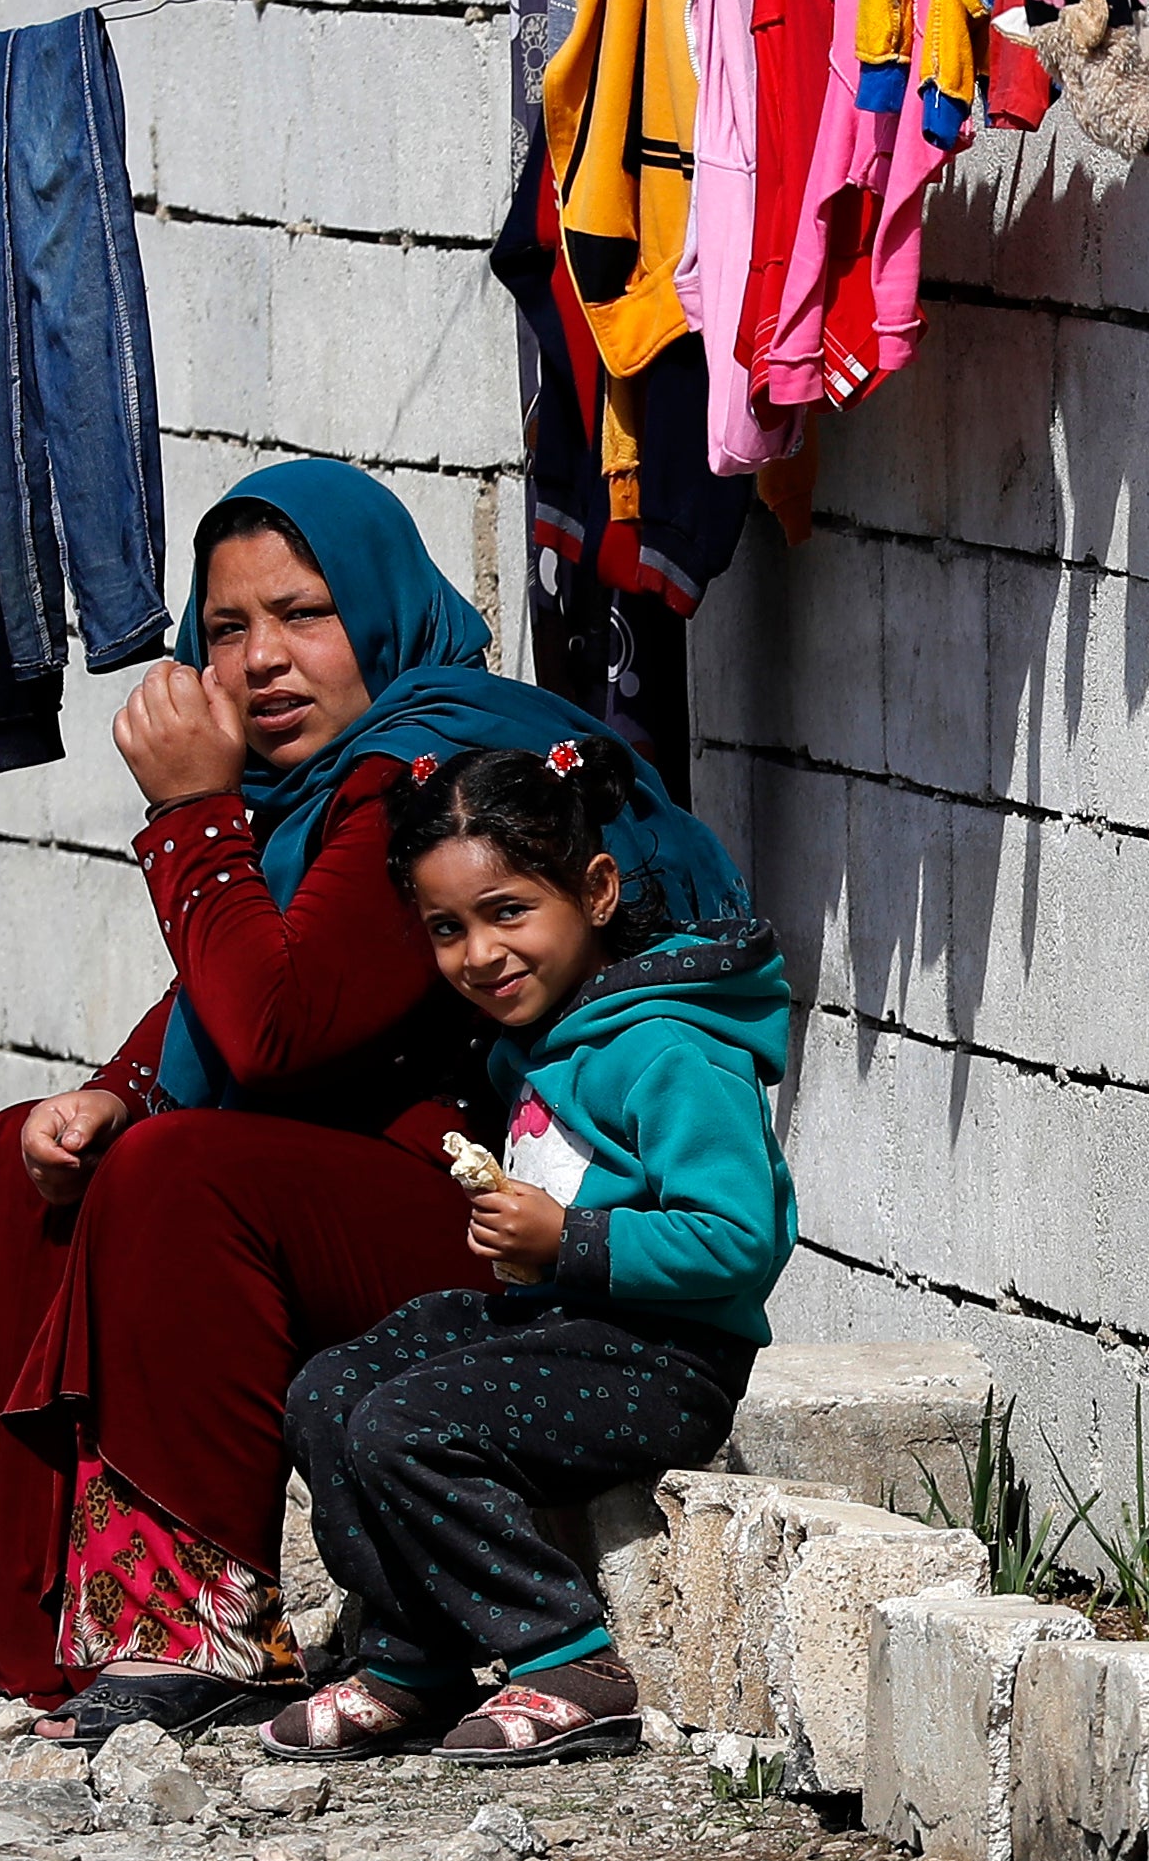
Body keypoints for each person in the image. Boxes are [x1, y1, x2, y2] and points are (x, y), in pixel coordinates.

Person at [0, 458, 753, 1739]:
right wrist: (118, 1091)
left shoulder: (432, 775)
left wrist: (189, 816)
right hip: (400, 1181)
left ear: (385, 611)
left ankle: (193, 1622)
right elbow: (222, 1000)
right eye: (226, 630)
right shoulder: (316, 792)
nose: (263, 662)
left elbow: (281, 1027)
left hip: (517, 1226)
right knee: (36, 1152)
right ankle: (41, 1610)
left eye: (305, 614)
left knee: (180, 1176)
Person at [256, 743, 796, 1759]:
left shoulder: (672, 1049)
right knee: (332, 1386)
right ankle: (411, 1654)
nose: (479, 953)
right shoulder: (550, 1041)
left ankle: (567, 1656)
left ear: (593, 890)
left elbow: (740, 1239)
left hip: (664, 1360)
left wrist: (569, 1238)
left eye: (508, 911)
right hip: (565, 1332)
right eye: (447, 929)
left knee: (402, 1423)